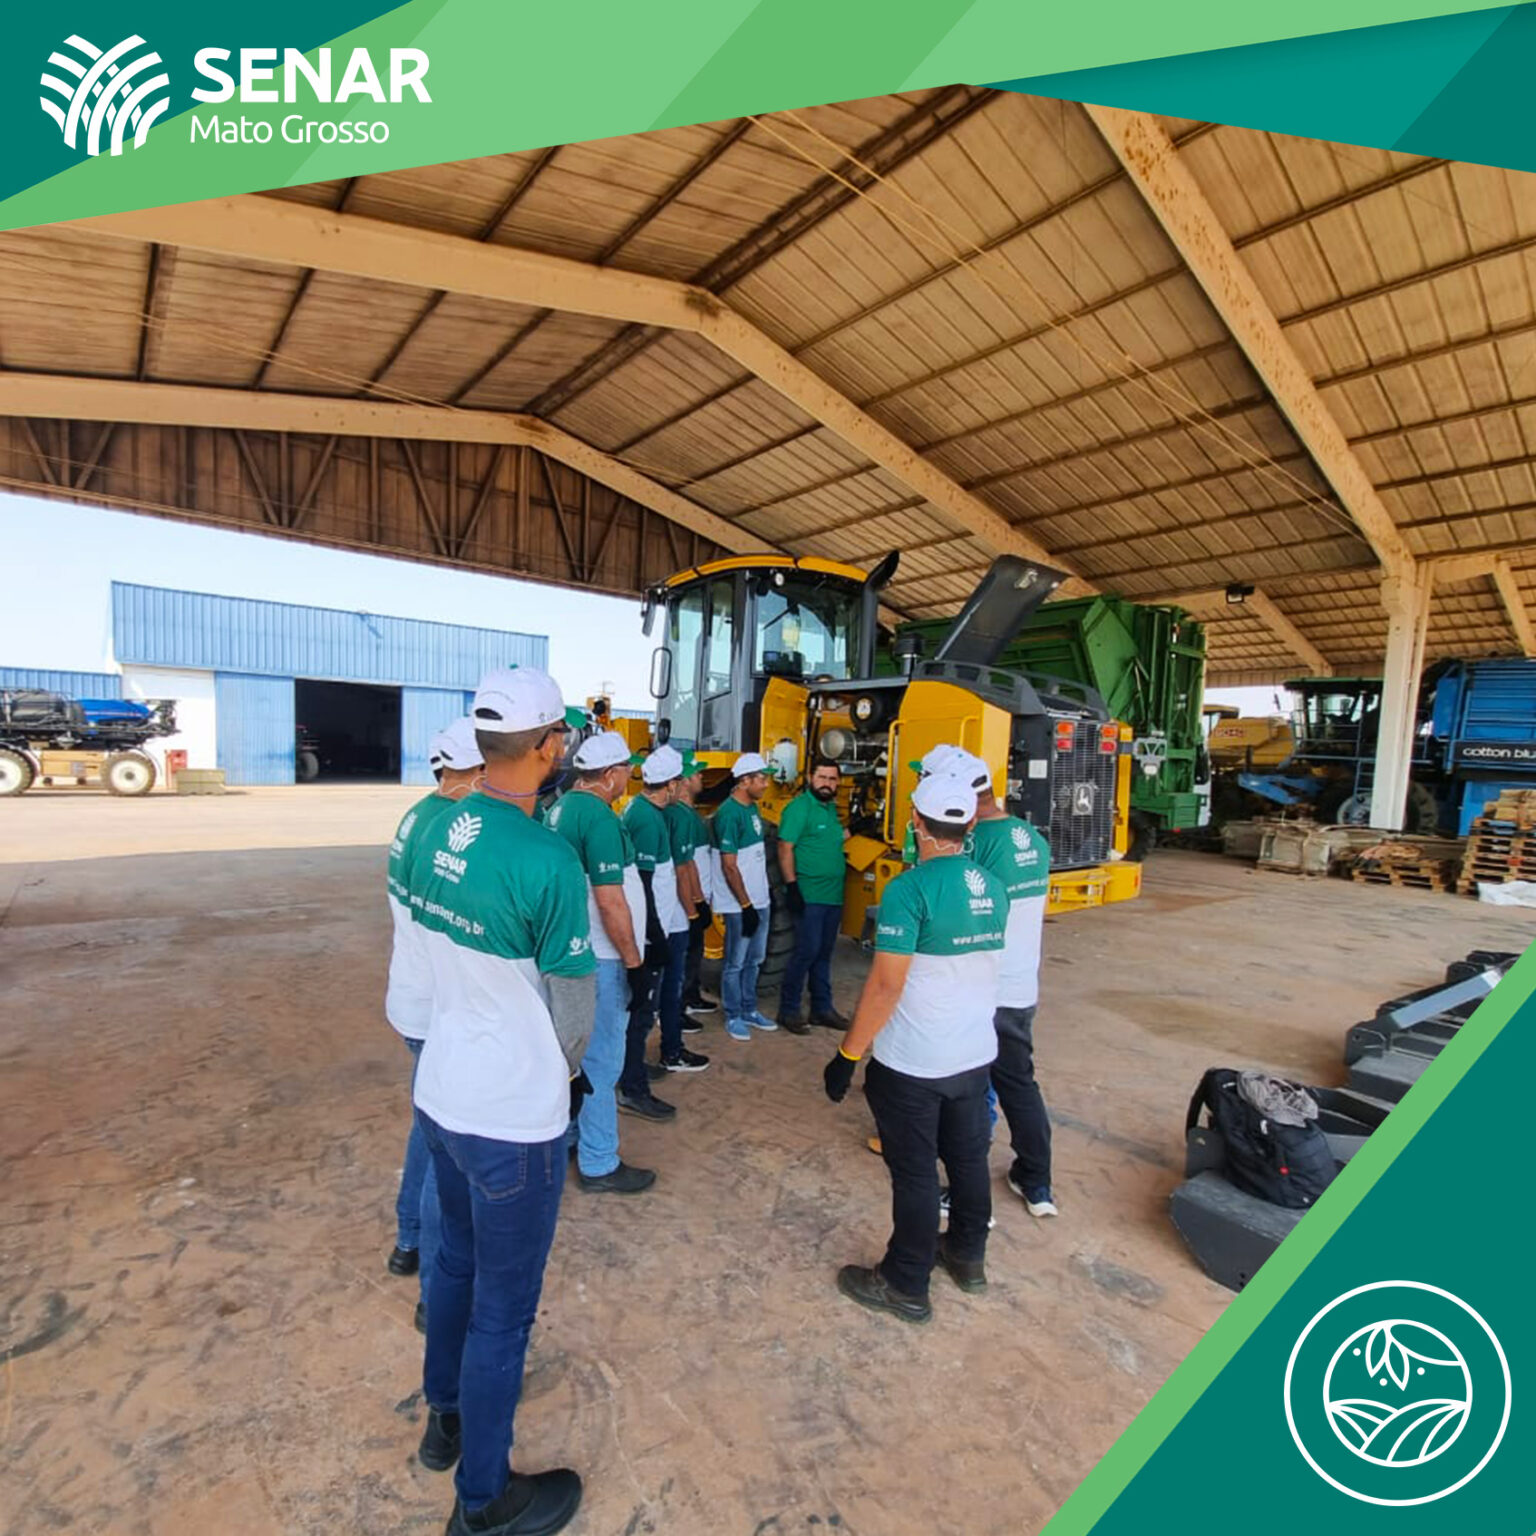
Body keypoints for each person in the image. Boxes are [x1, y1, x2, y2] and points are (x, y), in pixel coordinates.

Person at [408, 666, 593, 1536]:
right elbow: (573, 1011)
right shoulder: (547, 858)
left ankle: (443, 1418)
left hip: (441, 1091)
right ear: (550, 745)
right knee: (503, 1314)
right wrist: (564, 1078)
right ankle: (483, 1502)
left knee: (454, 1262)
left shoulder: (429, 828)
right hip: (511, 1115)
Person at [822, 769, 1007, 1325]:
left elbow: (886, 985)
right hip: (975, 1054)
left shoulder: (908, 890)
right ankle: (967, 1255)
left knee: (917, 1173)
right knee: (968, 1160)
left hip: (916, 1063)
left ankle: (905, 1282)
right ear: (969, 824)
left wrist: (848, 1055)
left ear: (915, 824)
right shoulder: (992, 886)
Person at [386, 717, 483, 1326]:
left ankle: (408, 1239)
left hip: (413, 997)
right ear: (472, 770)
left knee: (427, 1130)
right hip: (436, 1007)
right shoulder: (451, 829)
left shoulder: (420, 814)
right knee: (447, 1150)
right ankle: (434, 1293)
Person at [543, 730, 655, 1196]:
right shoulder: (600, 819)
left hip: (572, 954)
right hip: (604, 959)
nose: (630, 776)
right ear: (609, 774)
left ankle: (571, 1138)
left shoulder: (561, 808)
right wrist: (635, 963)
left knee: (574, 1057)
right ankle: (599, 1162)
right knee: (603, 1062)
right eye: (627, 769)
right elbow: (611, 901)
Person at [958, 751, 1057, 1218]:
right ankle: (1036, 1183)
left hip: (984, 989)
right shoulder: (1032, 838)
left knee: (970, 1092)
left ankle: (968, 1196)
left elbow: (967, 918)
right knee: (1019, 1084)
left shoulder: (977, 844)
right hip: (1021, 987)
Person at [622, 745, 710, 1104]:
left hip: (653, 925)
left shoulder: (651, 813)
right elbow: (643, 883)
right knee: (642, 1010)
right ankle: (632, 1086)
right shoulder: (646, 818)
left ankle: (633, 1068)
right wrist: (655, 935)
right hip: (648, 930)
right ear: (672, 784)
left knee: (646, 1007)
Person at [776, 758, 850, 1035]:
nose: (827, 784)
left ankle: (822, 1009)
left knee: (824, 953)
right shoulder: (799, 808)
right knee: (806, 952)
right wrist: (792, 885)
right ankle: (789, 1010)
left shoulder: (830, 810)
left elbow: (829, 840)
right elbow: (785, 847)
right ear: (810, 777)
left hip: (833, 896)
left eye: (832, 779)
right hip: (809, 895)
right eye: (822, 777)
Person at [712, 752, 778, 1042]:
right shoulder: (729, 814)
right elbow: (729, 865)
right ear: (745, 781)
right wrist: (745, 904)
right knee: (736, 961)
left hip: (759, 900)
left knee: (755, 959)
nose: (766, 784)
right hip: (740, 905)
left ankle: (750, 1009)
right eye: (762, 779)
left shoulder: (752, 808)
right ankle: (733, 1014)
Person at [668, 753, 718, 1025]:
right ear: (685, 780)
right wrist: (694, 904)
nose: (702, 778)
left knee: (695, 950)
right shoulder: (680, 816)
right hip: (685, 899)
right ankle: (678, 1007)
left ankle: (691, 994)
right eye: (697, 774)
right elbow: (684, 866)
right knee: (684, 953)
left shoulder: (691, 815)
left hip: (697, 895)